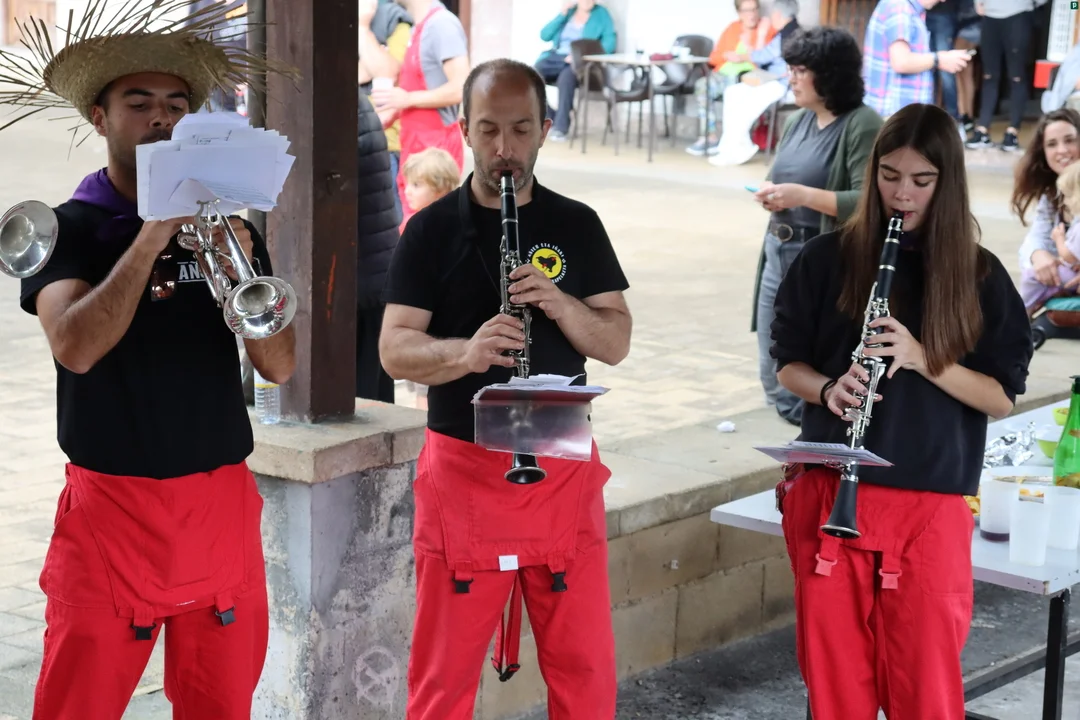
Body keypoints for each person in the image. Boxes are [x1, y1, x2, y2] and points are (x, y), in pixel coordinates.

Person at [0, 2, 296, 718]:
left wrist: (240, 262)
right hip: (112, 514)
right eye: (139, 104)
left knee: (221, 704)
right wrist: (150, 235)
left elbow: (281, 366)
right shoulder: (69, 227)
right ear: (100, 118)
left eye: (175, 105)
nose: (161, 119)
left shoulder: (226, 227)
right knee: (77, 705)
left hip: (218, 505)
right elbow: (75, 347)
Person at [379, 58, 632, 719]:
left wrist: (559, 303)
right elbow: (394, 349)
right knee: (444, 673)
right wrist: (466, 353)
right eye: (488, 129)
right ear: (464, 129)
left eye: (521, 130)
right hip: (464, 466)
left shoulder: (577, 222)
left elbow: (615, 342)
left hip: (560, 461)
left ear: (545, 129)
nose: (504, 149)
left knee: (584, 665)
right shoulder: (430, 230)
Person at [770, 102, 1032, 719]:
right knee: (836, 691)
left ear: (948, 182)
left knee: (925, 692)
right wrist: (829, 390)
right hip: (830, 490)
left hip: (929, 508)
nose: (902, 194)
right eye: (889, 176)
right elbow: (788, 365)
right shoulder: (825, 258)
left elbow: (1000, 397)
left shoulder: (979, 275)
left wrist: (922, 358)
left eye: (921, 180)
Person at [749, 26, 883, 426]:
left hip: (820, 255)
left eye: (800, 70)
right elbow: (780, 176)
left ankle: (810, 436)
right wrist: (772, 193)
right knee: (773, 355)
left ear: (828, 74)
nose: (791, 78)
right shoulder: (798, 121)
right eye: (790, 69)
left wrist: (803, 196)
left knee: (806, 355)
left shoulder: (862, 124)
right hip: (779, 247)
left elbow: (868, 201)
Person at [372, 0, 469, 227]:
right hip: (415, 147)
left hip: (435, 150)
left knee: (432, 228)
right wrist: (393, 111)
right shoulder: (418, 27)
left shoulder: (442, 24)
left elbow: (462, 86)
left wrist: (408, 99)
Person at [707, 0, 802, 167]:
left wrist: (742, 55)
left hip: (780, 84)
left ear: (778, 15)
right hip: (769, 80)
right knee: (732, 92)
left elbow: (763, 56)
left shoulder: (789, 35)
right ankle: (733, 147)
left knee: (745, 108)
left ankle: (734, 150)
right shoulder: (788, 32)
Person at [357, 90, 402, 404]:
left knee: (365, 402)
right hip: (373, 274)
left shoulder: (337, 105)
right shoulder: (356, 103)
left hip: (360, 284)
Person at [686, 0, 777, 156]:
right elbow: (714, 57)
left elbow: (769, 60)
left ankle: (733, 143)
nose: (751, 14)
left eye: (754, 9)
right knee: (702, 85)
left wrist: (744, 56)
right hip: (723, 74)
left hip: (747, 77)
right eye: (746, 10)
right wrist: (726, 56)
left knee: (735, 87)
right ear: (739, 13)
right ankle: (709, 136)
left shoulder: (765, 29)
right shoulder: (732, 29)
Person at [1014, 108, 1080, 317]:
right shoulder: (1052, 195)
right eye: (1052, 144)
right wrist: (1038, 254)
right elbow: (1035, 237)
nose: (1062, 150)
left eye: (1070, 140)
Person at [861, 0, 971, 119]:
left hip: (899, 114)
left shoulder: (908, 9)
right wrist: (939, 59)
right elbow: (901, 62)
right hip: (893, 115)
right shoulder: (899, 8)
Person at [358, 0, 414, 219]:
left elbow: (387, 71)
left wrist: (362, 27)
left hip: (384, 141)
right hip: (342, 138)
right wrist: (371, 59)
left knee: (383, 221)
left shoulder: (394, 19)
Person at [533, 0, 618, 142]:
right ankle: (550, 116)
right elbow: (544, 35)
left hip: (579, 62)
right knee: (532, 75)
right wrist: (562, 14)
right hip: (558, 58)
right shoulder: (568, 13)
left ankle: (561, 127)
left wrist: (582, 55)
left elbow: (610, 43)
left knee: (566, 78)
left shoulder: (601, 14)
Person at [965, 0, 1036, 151]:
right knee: (989, 76)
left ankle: (1013, 130)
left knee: (1017, 76)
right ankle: (982, 128)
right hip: (990, 15)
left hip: (1018, 13)